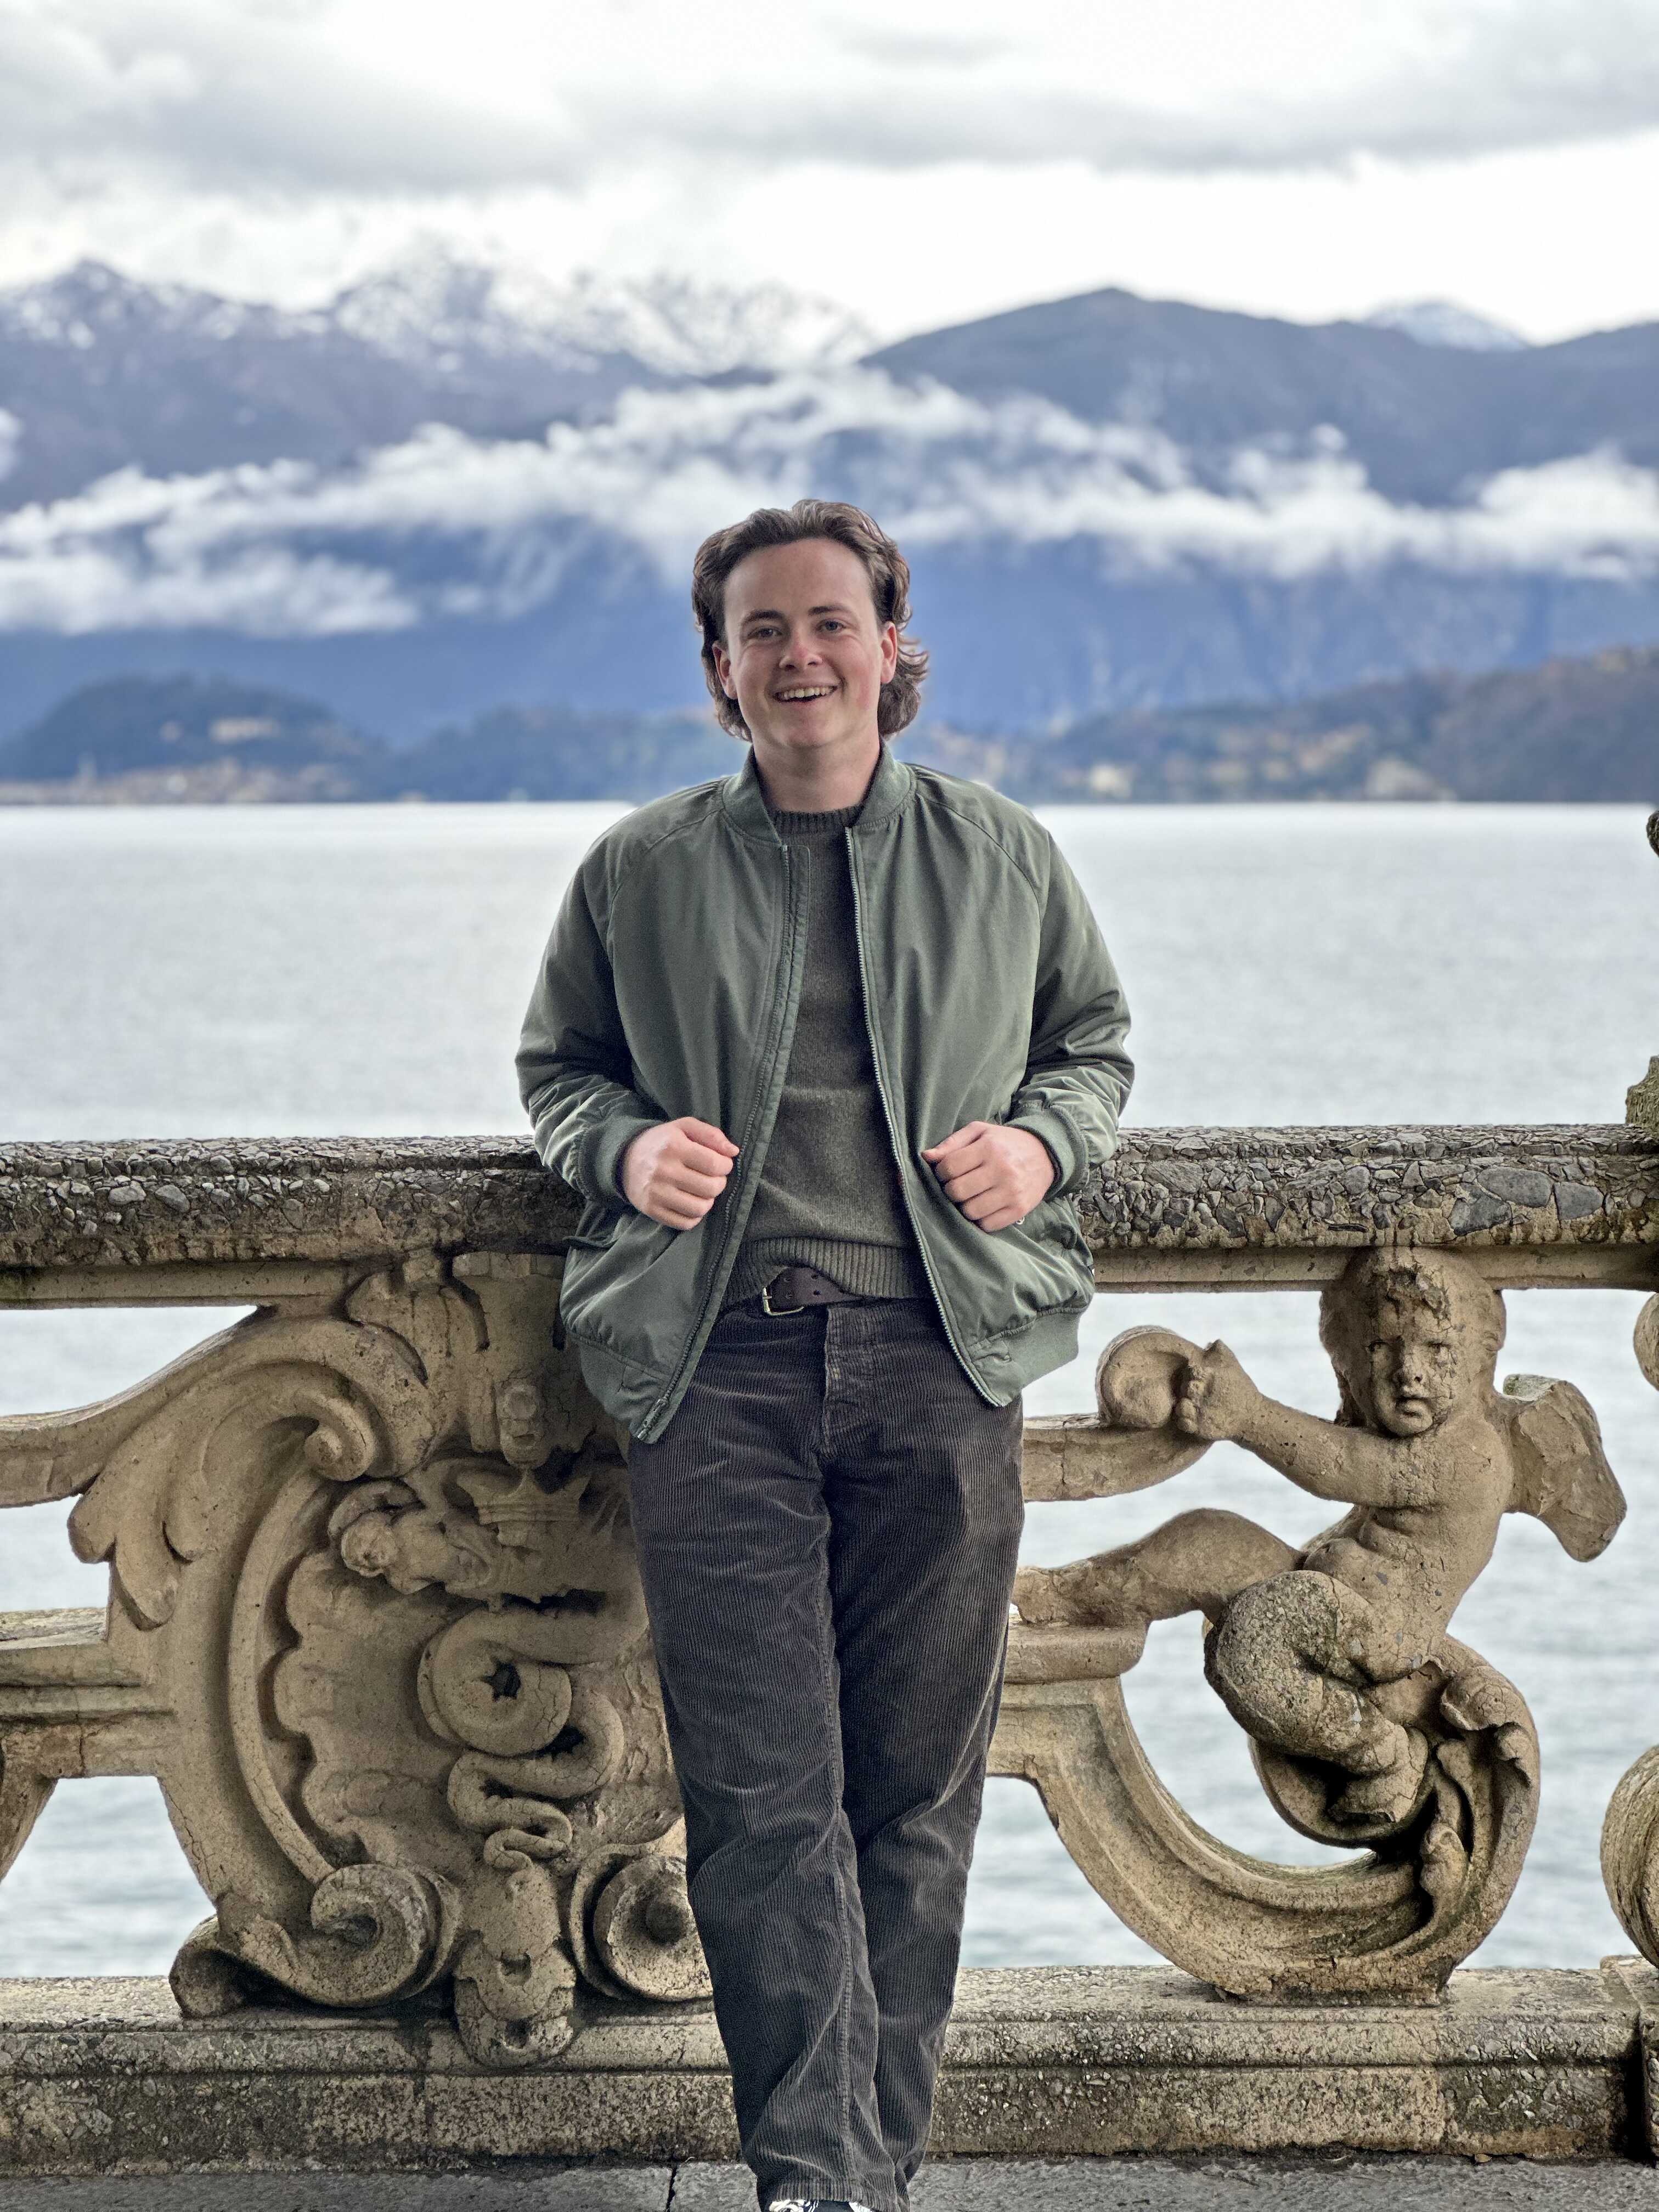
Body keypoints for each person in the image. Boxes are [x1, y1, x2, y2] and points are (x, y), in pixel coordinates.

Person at [516, 498, 1132, 2212]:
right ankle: (814, 2180)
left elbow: (1093, 1047)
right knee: (763, 1798)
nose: (800, 655)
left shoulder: (1004, 853)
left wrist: (1042, 1145)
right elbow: (560, 1069)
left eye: (830, 622)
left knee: (917, 1795)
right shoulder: (639, 870)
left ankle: (874, 2169)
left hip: (944, 1357)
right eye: (763, 630)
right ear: (721, 670)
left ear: (889, 646)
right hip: (713, 1371)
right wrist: (625, 1150)